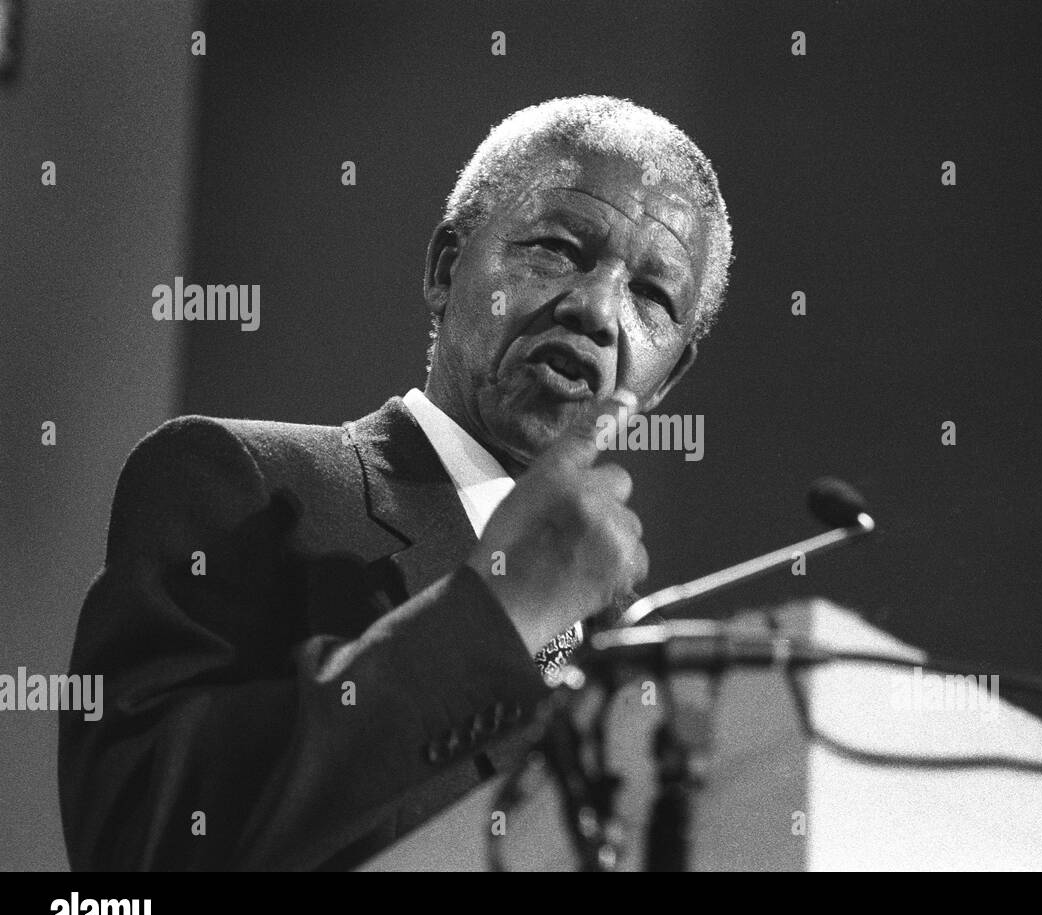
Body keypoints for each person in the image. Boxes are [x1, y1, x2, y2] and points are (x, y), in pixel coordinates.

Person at [58, 95, 733, 870]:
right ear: (447, 270)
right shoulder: (236, 485)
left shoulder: (640, 660)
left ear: (667, 378)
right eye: (558, 248)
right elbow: (134, 855)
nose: (598, 309)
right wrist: (492, 621)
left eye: (652, 296)